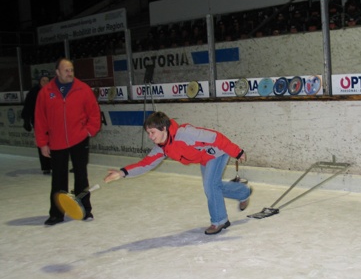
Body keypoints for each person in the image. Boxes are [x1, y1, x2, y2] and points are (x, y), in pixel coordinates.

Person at [104, 111, 252, 235]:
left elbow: (215, 137)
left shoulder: (185, 133)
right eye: (148, 133)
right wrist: (122, 173)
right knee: (214, 186)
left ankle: (219, 221)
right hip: (204, 159)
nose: (150, 136)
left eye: (152, 132)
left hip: (217, 152)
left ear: (163, 128)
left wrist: (237, 152)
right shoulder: (163, 147)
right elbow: (146, 164)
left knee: (210, 187)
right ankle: (243, 192)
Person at [34, 58, 101, 226]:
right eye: (66, 70)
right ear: (57, 72)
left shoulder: (83, 89)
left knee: (81, 176)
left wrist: (89, 130)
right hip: (56, 142)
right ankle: (56, 214)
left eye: (71, 70)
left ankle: (85, 209)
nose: (70, 73)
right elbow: (40, 119)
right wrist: (42, 142)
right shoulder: (46, 92)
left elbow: (94, 113)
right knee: (58, 179)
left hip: (79, 139)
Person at [21, 73, 52, 174]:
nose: (45, 82)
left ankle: (55, 164)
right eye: (43, 80)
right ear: (39, 82)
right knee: (42, 143)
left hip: (52, 122)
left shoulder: (53, 91)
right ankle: (46, 166)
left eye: (47, 80)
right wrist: (26, 120)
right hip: (39, 122)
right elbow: (28, 107)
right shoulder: (34, 92)